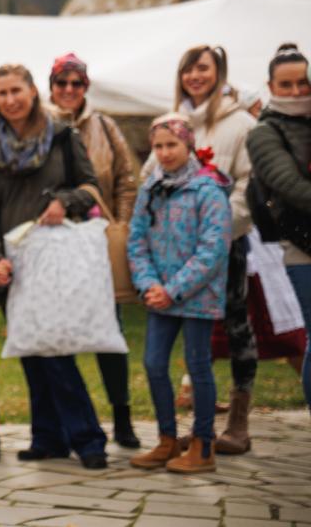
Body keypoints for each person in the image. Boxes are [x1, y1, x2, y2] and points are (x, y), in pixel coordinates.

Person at [0, 64, 109, 468]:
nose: (10, 99)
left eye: (16, 90)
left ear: (33, 91)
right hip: (14, 260)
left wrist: (64, 202)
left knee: (54, 350)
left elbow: (91, 188)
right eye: (2, 93)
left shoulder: (61, 136)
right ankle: (48, 437)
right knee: (31, 350)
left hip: (55, 257)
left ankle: (89, 439)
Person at [156, 45, 257, 453]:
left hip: (225, 242)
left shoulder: (240, 124)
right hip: (179, 249)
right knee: (194, 332)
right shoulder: (172, 122)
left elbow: (249, 184)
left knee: (236, 326)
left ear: (219, 73)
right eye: (188, 70)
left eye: (202, 68)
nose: (194, 76)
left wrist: (219, 229)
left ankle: (238, 423)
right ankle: (201, 425)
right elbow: (154, 175)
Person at [128, 114, 232, 473]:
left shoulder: (208, 190)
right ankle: (167, 438)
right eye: (158, 146)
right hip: (159, 294)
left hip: (197, 296)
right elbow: (137, 240)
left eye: (172, 144)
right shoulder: (151, 189)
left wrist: (173, 290)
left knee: (198, 363)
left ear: (188, 145)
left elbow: (213, 249)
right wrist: (149, 285)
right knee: (154, 363)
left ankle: (203, 445)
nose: (165, 152)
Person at [48, 52, 141, 448]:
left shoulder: (104, 126)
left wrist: (120, 225)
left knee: (109, 332)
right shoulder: (40, 125)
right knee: (58, 333)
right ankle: (70, 420)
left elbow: (126, 180)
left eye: (77, 83)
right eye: (62, 82)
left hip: (98, 240)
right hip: (55, 241)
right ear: (51, 86)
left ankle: (122, 416)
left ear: (86, 87)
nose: (69, 90)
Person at [247, 43, 311, 413]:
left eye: (302, 83)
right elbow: (288, 185)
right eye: (286, 85)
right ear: (271, 87)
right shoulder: (265, 131)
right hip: (301, 245)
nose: (296, 92)